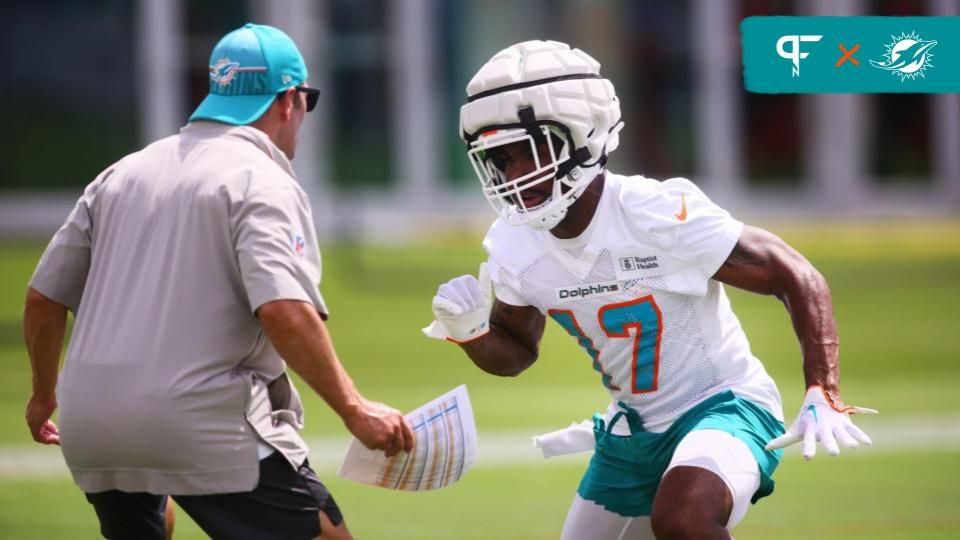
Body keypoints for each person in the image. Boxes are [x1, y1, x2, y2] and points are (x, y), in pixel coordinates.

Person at [425, 40, 877, 539]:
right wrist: (469, 334)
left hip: (724, 405)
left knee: (683, 519)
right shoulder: (514, 245)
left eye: (528, 154)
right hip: (633, 431)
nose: (512, 176)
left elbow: (794, 273)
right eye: (500, 159)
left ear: (582, 136)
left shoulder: (654, 214)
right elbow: (515, 351)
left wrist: (823, 389)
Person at [23, 23, 413, 540]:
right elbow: (283, 310)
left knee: (153, 506)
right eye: (306, 102)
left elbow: (43, 298)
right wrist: (355, 410)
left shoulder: (122, 172)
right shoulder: (262, 177)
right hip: (199, 423)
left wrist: (42, 395)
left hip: (93, 426)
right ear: (289, 101)